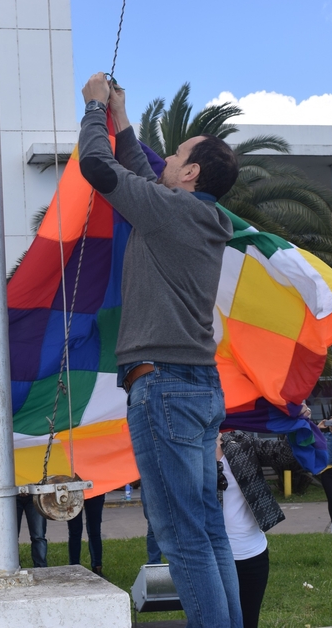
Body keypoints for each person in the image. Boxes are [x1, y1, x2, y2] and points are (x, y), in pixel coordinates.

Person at [78, 72, 240, 628]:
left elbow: (100, 170)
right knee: (207, 530)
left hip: (164, 388)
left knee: (181, 535)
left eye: (177, 154)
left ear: (191, 172)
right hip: (195, 386)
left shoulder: (173, 212)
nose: (166, 157)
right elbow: (144, 174)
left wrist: (95, 109)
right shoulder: (194, 214)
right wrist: (122, 119)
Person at [218, 430, 295, 628]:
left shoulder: (239, 440)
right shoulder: (189, 451)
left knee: (248, 622)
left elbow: (285, 453)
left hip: (253, 554)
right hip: (213, 559)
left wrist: (297, 422)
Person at [67, 492, 105, 576]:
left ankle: (96, 567)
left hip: (94, 489)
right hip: (76, 489)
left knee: (94, 531)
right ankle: (75, 567)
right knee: (76, 532)